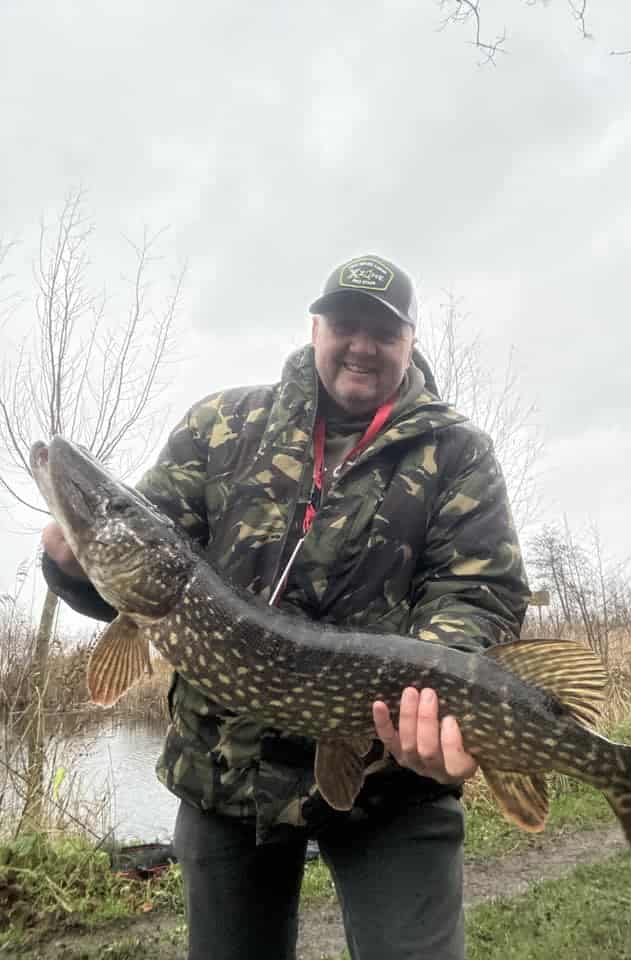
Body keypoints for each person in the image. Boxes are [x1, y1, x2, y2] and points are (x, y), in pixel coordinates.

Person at [42, 254, 529, 960]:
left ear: (411, 342)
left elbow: (480, 592)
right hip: (225, 777)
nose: (361, 343)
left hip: (393, 785)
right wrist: (72, 563)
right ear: (316, 327)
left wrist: (434, 695)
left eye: (383, 331)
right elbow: (145, 553)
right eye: (345, 324)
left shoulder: (457, 454)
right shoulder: (221, 425)